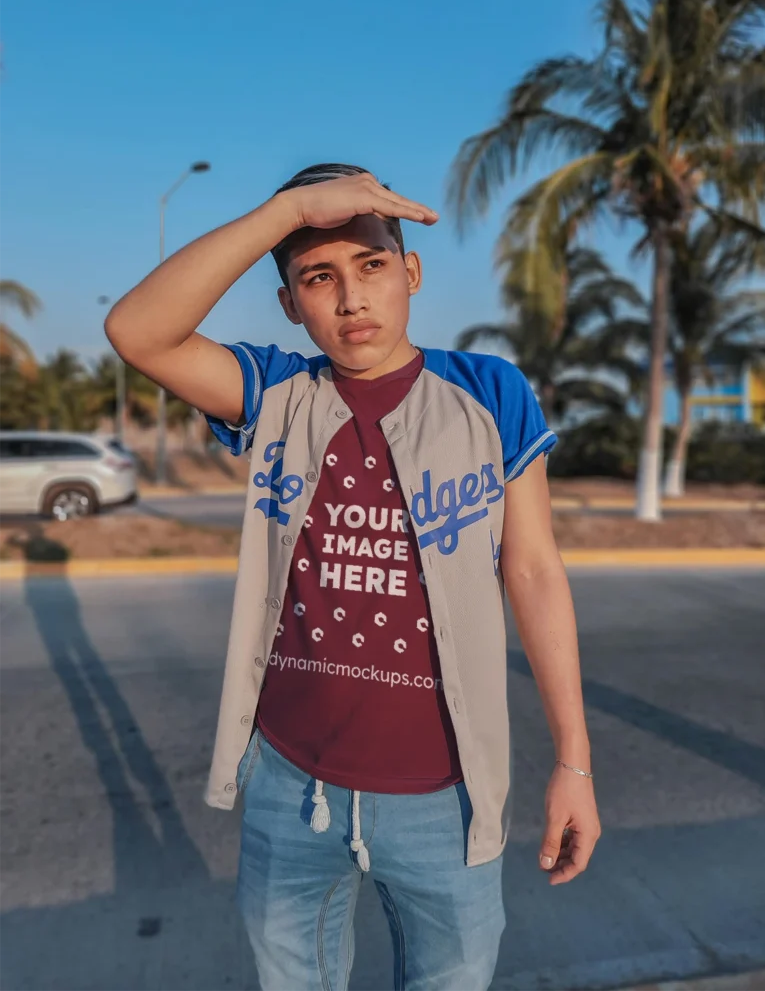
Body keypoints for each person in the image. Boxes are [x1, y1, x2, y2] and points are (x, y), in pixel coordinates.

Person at [105, 163, 601, 991]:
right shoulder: (275, 394)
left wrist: (574, 763)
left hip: (446, 796)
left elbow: (535, 571)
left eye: (371, 266)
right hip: (290, 785)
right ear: (291, 303)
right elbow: (138, 332)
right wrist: (289, 211)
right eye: (317, 277)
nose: (350, 299)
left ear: (410, 273)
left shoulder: (490, 393)